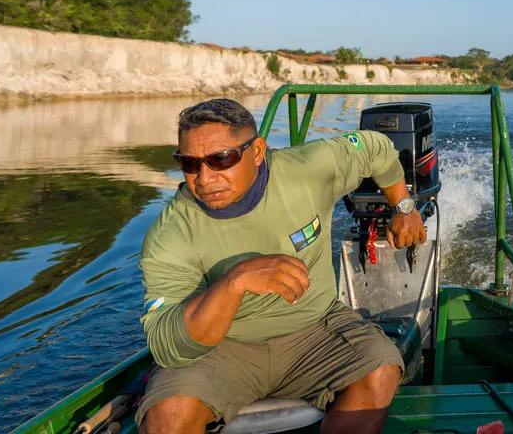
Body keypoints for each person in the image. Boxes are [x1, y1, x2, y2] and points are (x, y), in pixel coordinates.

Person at [135, 98, 426, 434]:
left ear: (257, 152)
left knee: (381, 368)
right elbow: (168, 346)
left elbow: (376, 146)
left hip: (314, 329)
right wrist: (234, 282)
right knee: (168, 417)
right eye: (189, 163)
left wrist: (404, 208)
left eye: (221, 159)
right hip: (224, 349)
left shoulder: (309, 169)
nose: (204, 177)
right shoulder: (170, 233)